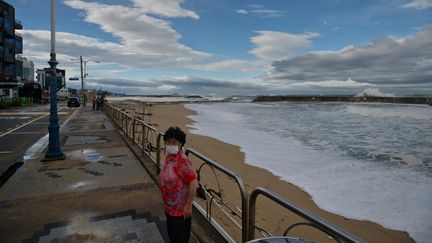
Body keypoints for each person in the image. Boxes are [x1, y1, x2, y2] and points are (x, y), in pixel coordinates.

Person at [159, 127, 198, 243]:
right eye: (168, 141)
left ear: (180, 144)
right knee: (172, 236)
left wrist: (189, 205)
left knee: (180, 239)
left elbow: (193, 181)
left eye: (174, 142)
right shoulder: (169, 157)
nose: (171, 144)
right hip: (169, 208)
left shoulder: (182, 161)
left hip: (180, 211)